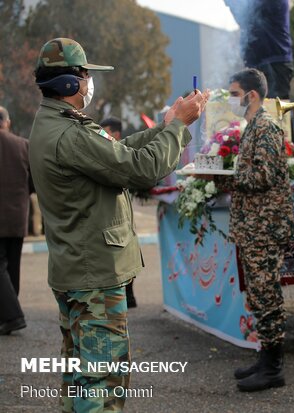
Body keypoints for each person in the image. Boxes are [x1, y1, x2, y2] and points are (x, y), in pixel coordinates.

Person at [29, 37, 207, 411]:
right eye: (84, 75)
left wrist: (167, 126)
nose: (88, 83)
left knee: (81, 379)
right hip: (93, 276)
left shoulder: (55, 124)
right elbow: (141, 169)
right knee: (101, 384)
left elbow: (119, 154)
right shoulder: (68, 134)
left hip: (78, 269)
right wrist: (179, 128)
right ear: (68, 84)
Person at [212, 68, 293, 392]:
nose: (231, 100)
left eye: (234, 93)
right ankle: (265, 356)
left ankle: (273, 367)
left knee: (267, 293)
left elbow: (263, 176)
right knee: (259, 295)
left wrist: (222, 178)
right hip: (253, 224)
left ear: (252, 95)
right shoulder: (252, 128)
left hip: (265, 225)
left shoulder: (267, 128)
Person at [100, 116, 139, 308]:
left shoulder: (123, 152)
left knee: (126, 256)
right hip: (110, 219)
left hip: (121, 219)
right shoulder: (102, 152)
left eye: (104, 131)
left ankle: (129, 295)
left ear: (115, 134)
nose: (101, 135)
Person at [0, 106, 30, 335]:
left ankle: (13, 315)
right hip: (18, 216)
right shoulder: (23, 145)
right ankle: (9, 315)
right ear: (7, 122)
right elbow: (34, 181)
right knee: (13, 265)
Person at [225, 0, 293, 99]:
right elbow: (243, 17)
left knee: (274, 109)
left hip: (274, 62)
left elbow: (249, 9)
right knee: (255, 110)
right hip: (257, 63)